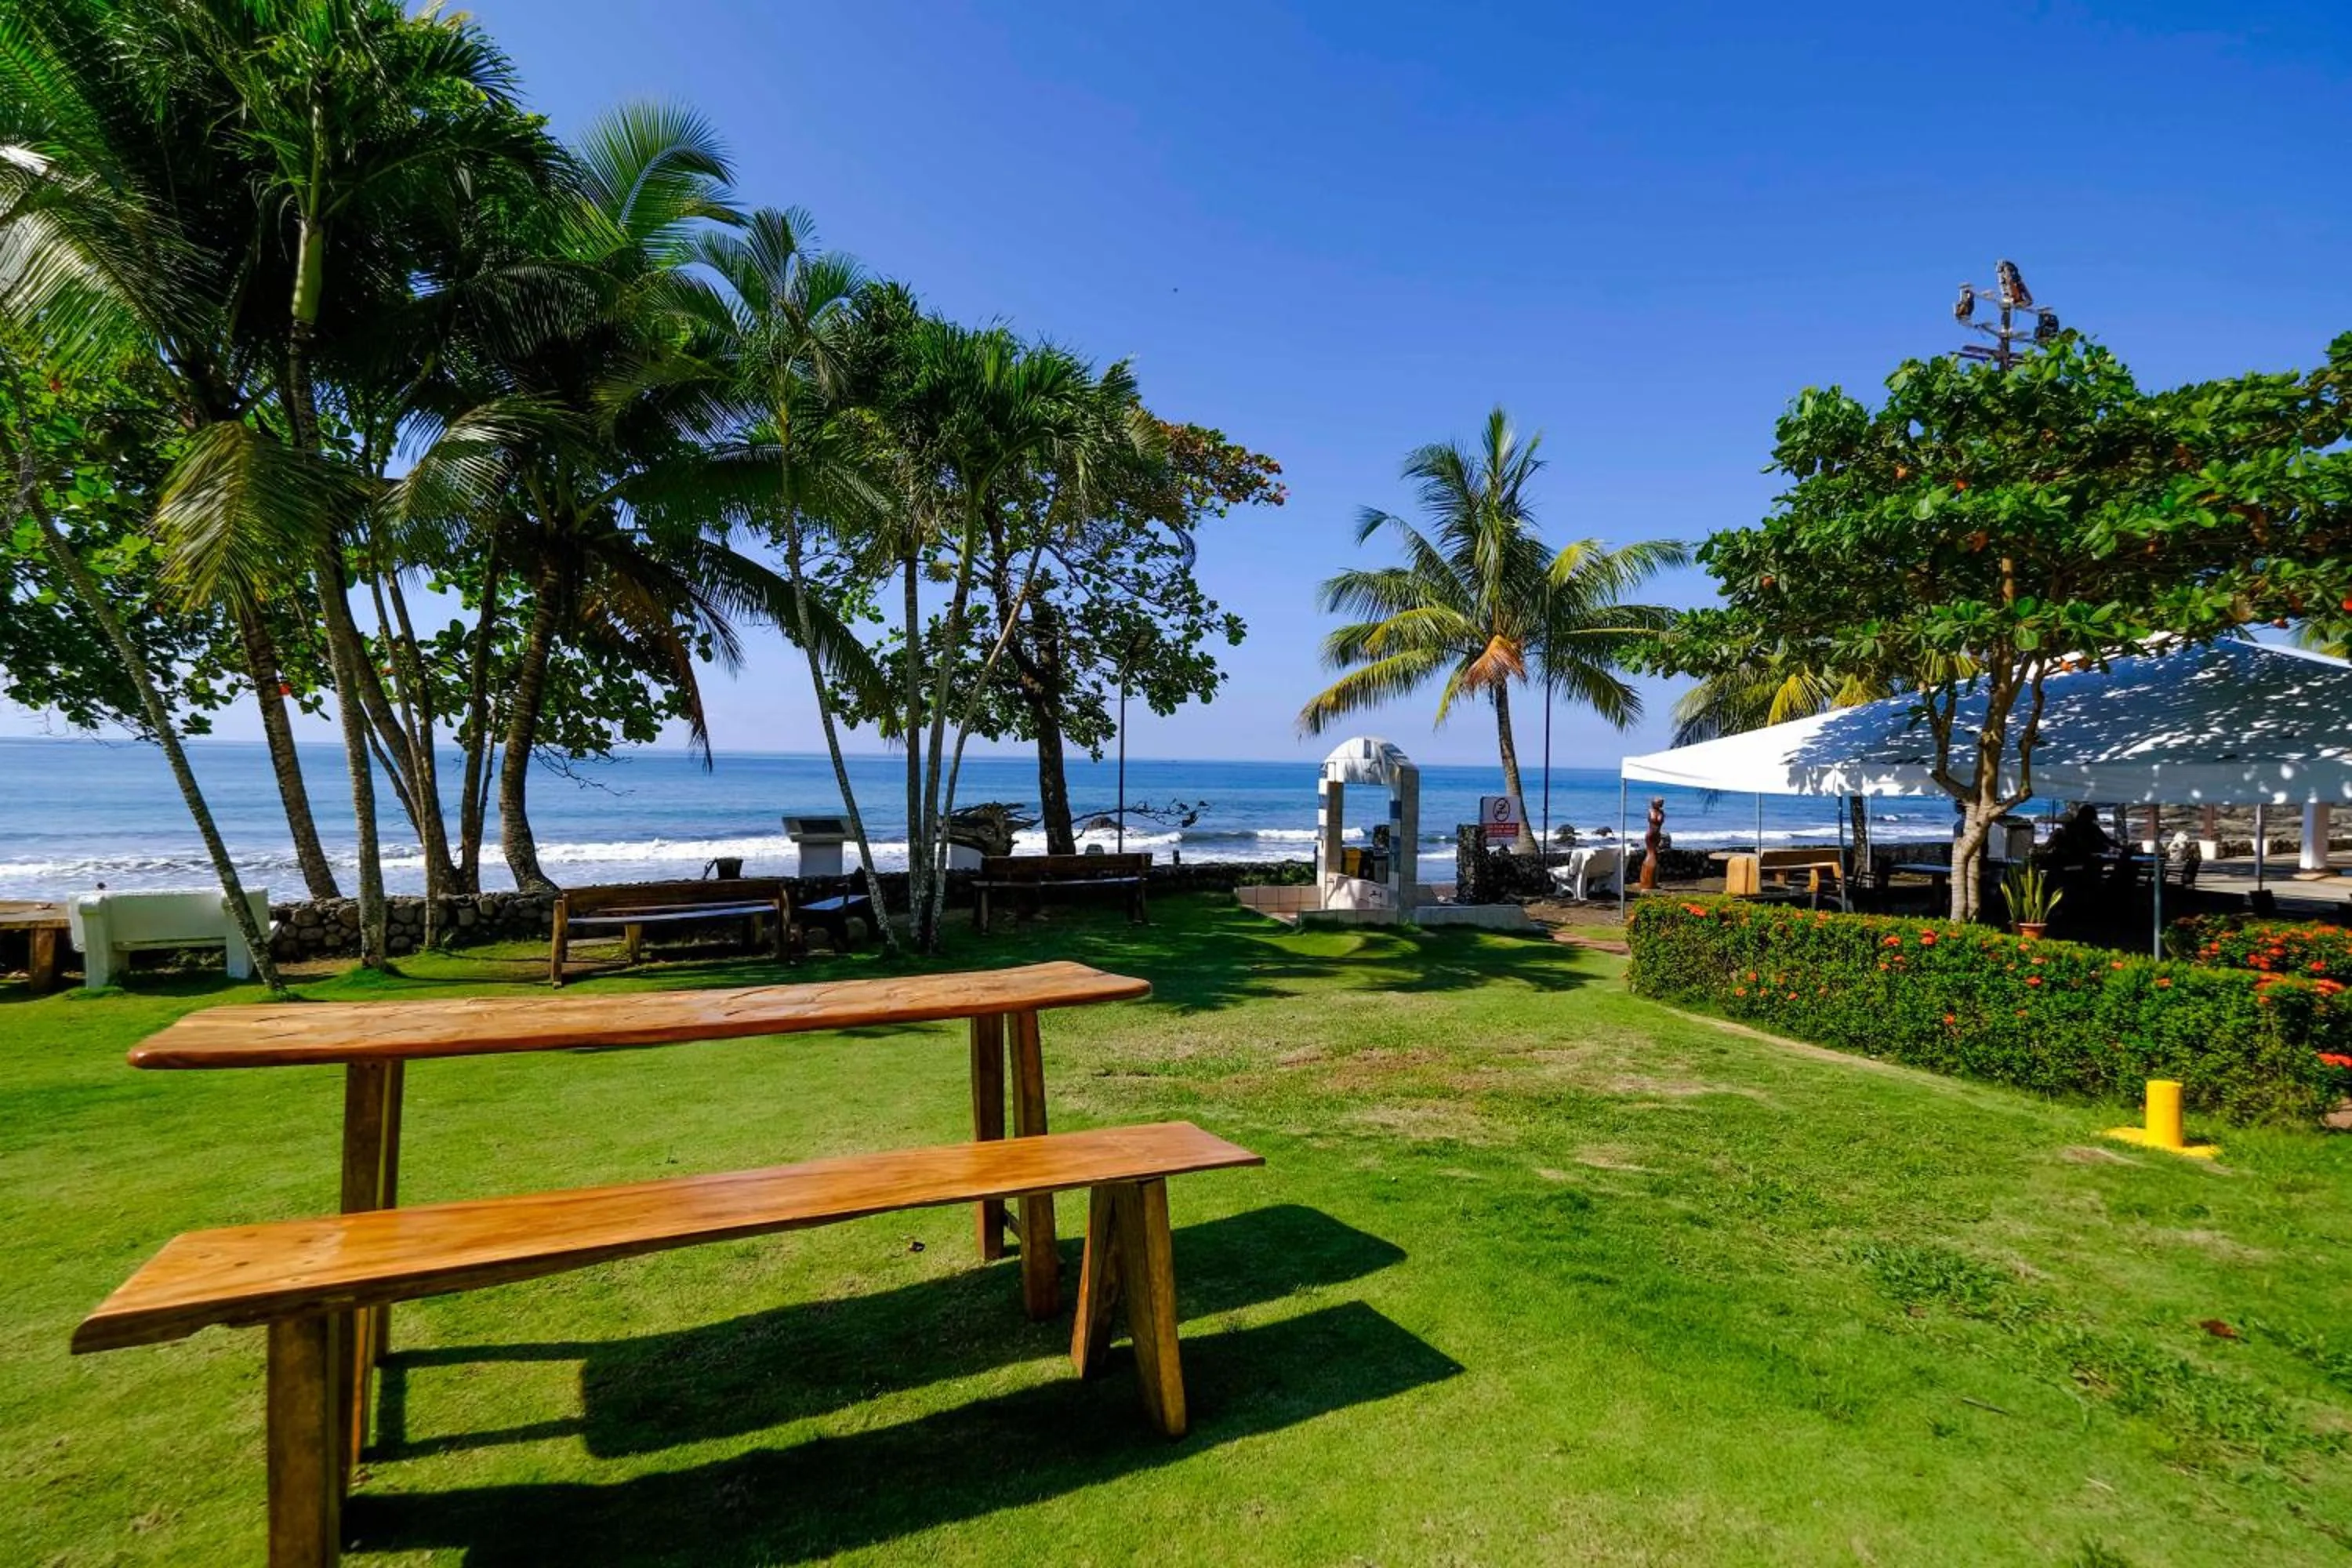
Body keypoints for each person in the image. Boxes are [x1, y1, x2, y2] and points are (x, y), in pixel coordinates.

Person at [2042, 804, 2114, 870]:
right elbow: (2106, 841)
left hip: (2067, 860)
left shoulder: (2067, 828)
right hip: (2083, 860)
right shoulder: (2092, 828)